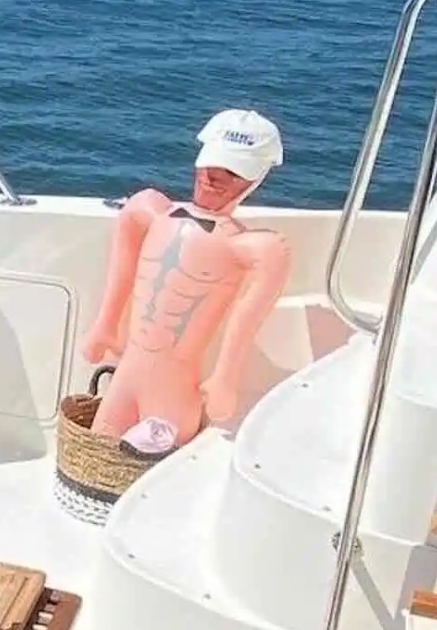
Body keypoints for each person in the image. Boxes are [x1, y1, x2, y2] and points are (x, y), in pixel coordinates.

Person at [78, 109, 291, 446]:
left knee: (152, 472)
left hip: (173, 389)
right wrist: (105, 325)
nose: (214, 178)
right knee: (96, 459)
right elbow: (125, 251)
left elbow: (247, 318)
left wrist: (225, 379)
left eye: (233, 171)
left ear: (256, 178)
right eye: (212, 163)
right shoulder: (149, 207)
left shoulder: (256, 248)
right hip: (126, 372)